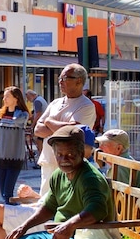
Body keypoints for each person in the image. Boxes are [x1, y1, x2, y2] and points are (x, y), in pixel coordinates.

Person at [33, 64, 95, 200]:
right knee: (45, 204)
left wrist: (49, 121)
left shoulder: (86, 106)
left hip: (69, 164)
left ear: (79, 81)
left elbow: (71, 133)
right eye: (59, 78)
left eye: (65, 78)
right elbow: (38, 130)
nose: (60, 81)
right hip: (49, 161)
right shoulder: (55, 103)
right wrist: (60, 127)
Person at [0, 86, 31, 205]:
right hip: (1, 157)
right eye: (4, 96)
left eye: (7, 96)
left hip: (15, 157)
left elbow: (17, 122)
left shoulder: (23, 114)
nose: (4, 99)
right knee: (4, 191)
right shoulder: (0, 114)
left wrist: (12, 110)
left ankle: (11, 214)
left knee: (8, 192)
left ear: (16, 98)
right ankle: (9, 215)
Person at [25, 89, 48, 164]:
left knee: (39, 143)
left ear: (31, 95)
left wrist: (32, 125)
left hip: (42, 125)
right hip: (44, 124)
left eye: (28, 98)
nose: (28, 100)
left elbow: (38, 114)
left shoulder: (37, 101)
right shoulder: (41, 99)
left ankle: (41, 160)